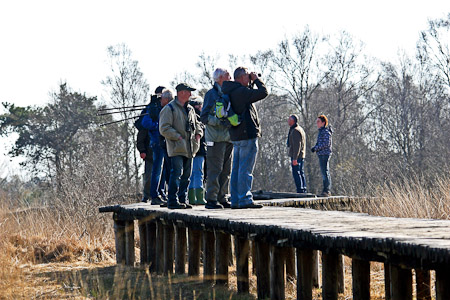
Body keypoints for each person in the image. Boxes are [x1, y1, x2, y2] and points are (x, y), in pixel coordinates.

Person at [222, 67, 268, 209]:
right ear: (242, 78)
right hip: (247, 134)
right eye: (247, 76)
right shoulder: (241, 92)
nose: (249, 78)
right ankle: (245, 198)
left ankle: (235, 199)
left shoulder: (231, 91)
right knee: (245, 168)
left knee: (236, 168)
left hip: (236, 135)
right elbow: (263, 92)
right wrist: (257, 80)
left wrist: (251, 82)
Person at [159, 83, 203, 209]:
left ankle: (183, 199)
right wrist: (177, 136)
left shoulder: (190, 109)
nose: (190, 94)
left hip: (190, 148)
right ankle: (172, 200)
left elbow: (197, 124)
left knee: (186, 176)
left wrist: (198, 134)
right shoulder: (169, 109)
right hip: (176, 148)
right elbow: (164, 128)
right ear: (181, 93)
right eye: (188, 92)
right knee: (176, 174)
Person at [200, 68, 233, 209]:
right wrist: (219, 121)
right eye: (228, 75)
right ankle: (211, 199)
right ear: (219, 78)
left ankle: (223, 197)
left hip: (228, 138)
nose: (230, 78)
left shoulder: (229, 94)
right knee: (215, 169)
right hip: (215, 138)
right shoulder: (211, 94)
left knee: (226, 170)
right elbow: (204, 117)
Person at [141, 86, 171, 205]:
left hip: (163, 141)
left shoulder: (159, 107)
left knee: (162, 170)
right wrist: (159, 126)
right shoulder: (153, 107)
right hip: (156, 141)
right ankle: (154, 195)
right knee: (156, 169)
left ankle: (161, 192)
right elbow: (145, 122)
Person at [188, 96, 207, 205]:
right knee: (198, 173)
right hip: (198, 150)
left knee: (192, 173)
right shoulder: (198, 117)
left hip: (193, 150)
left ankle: (192, 197)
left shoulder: (191, 116)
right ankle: (199, 197)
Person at [311, 114, 333, 197]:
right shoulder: (321, 132)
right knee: (325, 172)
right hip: (321, 154)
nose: (317, 123)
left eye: (318, 121)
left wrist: (316, 148)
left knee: (325, 172)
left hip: (324, 154)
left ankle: (326, 190)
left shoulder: (326, 132)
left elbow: (326, 144)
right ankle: (326, 190)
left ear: (323, 123)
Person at [287, 114, 307, 193]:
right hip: (301, 155)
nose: (288, 121)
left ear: (293, 121)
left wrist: (295, 158)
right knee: (301, 172)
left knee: (297, 173)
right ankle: (303, 188)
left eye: (289, 120)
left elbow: (297, 145)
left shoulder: (295, 130)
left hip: (297, 156)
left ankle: (300, 190)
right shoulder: (299, 129)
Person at [136, 112, 153, 203]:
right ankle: (146, 196)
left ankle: (157, 195)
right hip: (149, 155)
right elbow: (140, 139)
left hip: (160, 153)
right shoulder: (145, 124)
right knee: (148, 176)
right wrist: (142, 151)